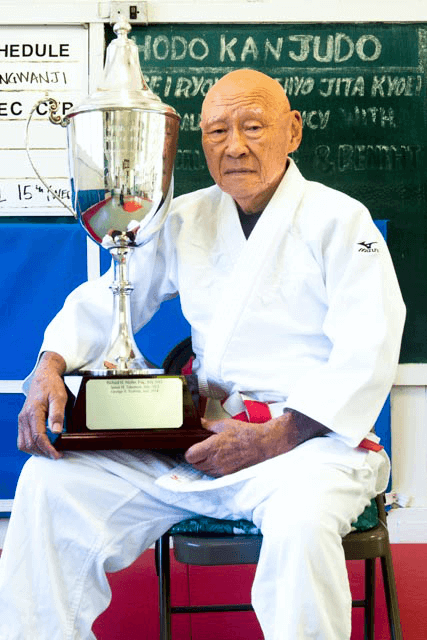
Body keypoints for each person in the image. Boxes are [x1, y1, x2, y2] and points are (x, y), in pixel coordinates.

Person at [0, 69, 405, 640]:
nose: (234, 145)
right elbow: (113, 296)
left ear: (293, 131)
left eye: (253, 126)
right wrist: (51, 362)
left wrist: (275, 437)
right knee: (51, 487)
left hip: (304, 446)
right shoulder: (184, 215)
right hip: (207, 438)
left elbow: (370, 344)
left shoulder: (341, 220)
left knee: (301, 523)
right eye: (217, 131)